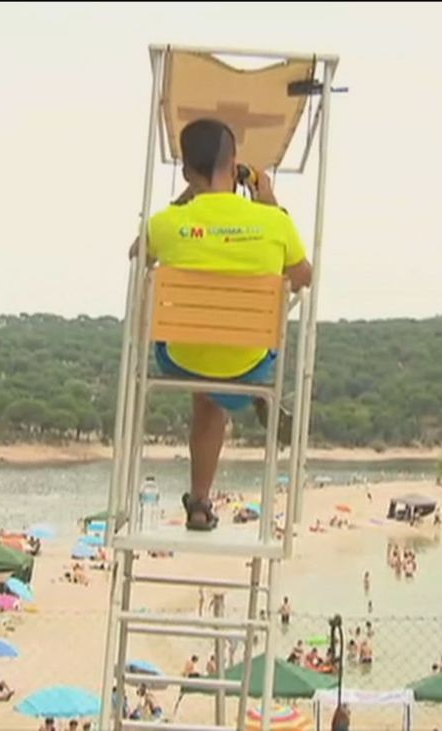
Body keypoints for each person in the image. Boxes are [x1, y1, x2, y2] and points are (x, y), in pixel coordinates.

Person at [131, 117, 313, 532]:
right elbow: (304, 277)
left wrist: (185, 205)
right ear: (236, 167)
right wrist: (268, 204)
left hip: (180, 357)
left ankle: (199, 503)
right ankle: (247, 396)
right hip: (251, 357)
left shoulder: (165, 223)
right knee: (225, 375)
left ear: (186, 173)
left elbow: (136, 254)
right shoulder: (275, 222)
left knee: (206, 390)